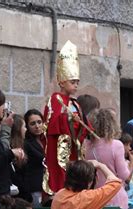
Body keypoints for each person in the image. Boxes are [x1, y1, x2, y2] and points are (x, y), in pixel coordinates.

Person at [43, 40, 89, 195]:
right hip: (61, 146)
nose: (76, 85)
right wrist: (69, 120)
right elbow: (52, 123)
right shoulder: (55, 100)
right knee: (62, 173)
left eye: (77, 82)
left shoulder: (75, 103)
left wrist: (81, 123)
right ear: (62, 82)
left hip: (75, 147)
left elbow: (84, 124)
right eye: (72, 82)